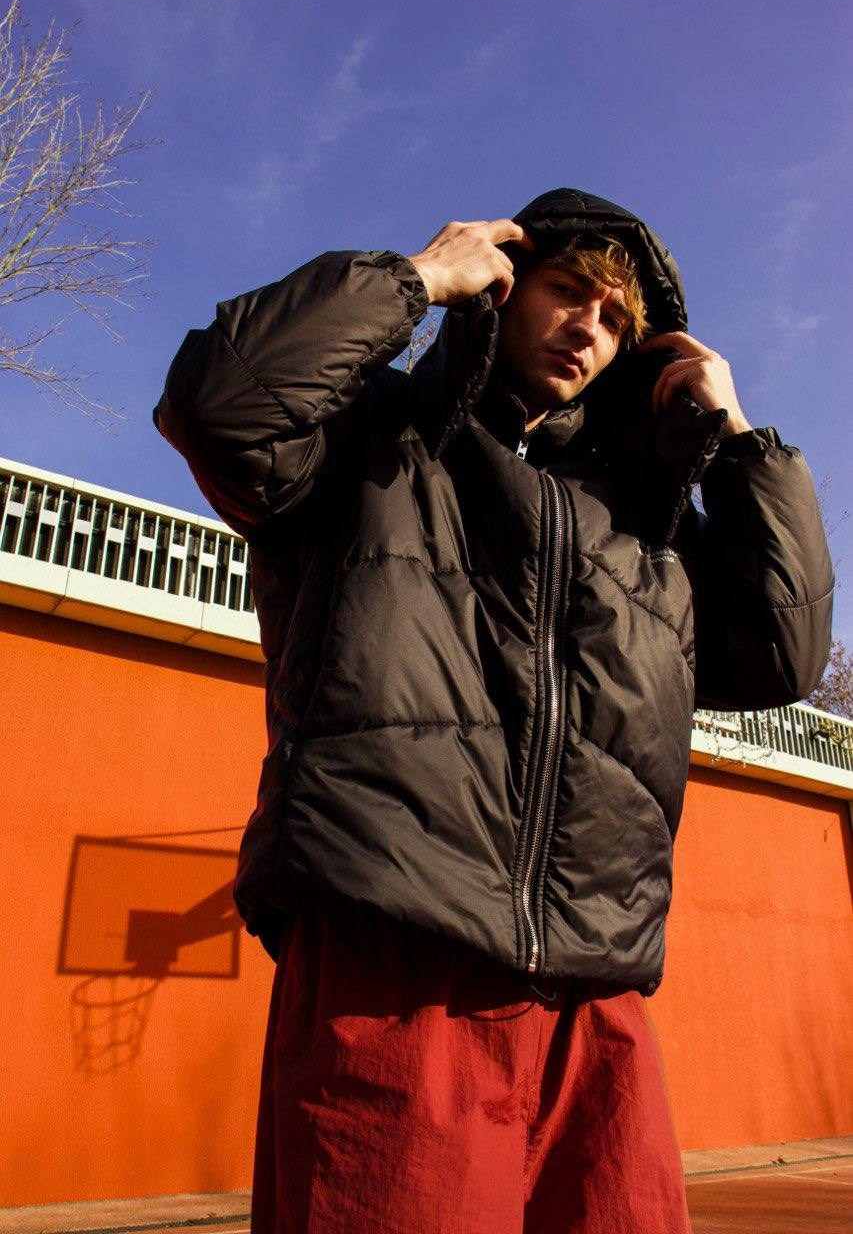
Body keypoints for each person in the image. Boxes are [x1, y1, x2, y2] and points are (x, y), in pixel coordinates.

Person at [154, 189, 833, 1234]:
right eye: (569, 291)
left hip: (595, 984)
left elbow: (781, 652)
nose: (588, 327)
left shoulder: (644, 524)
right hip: (396, 957)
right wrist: (414, 280)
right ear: (506, 287)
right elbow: (218, 403)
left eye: (616, 320)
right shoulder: (370, 439)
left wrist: (739, 441)